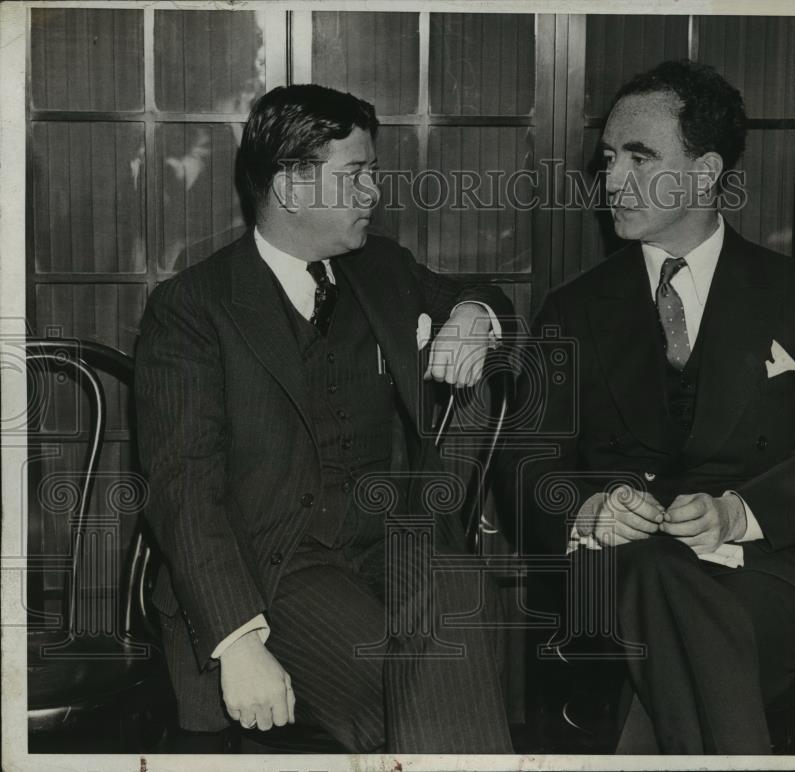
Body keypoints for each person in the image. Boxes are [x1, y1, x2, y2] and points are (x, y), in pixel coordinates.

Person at [507, 60, 795, 753]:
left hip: (761, 575)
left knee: (664, 603)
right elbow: (522, 470)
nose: (612, 180)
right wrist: (589, 508)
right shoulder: (575, 310)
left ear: (705, 173)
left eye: (640, 158)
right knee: (651, 568)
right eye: (610, 158)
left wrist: (738, 513)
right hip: (614, 577)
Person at [135, 84, 514, 753]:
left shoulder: (381, 267)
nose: (374, 192)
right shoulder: (193, 308)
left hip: (392, 544)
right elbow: (183, 488)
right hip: (270, 570)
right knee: (402, 699)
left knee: (462, 596)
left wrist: (473, 318)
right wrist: (240, 639)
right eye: (357, 174)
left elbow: (483, 295)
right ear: (291, 187)